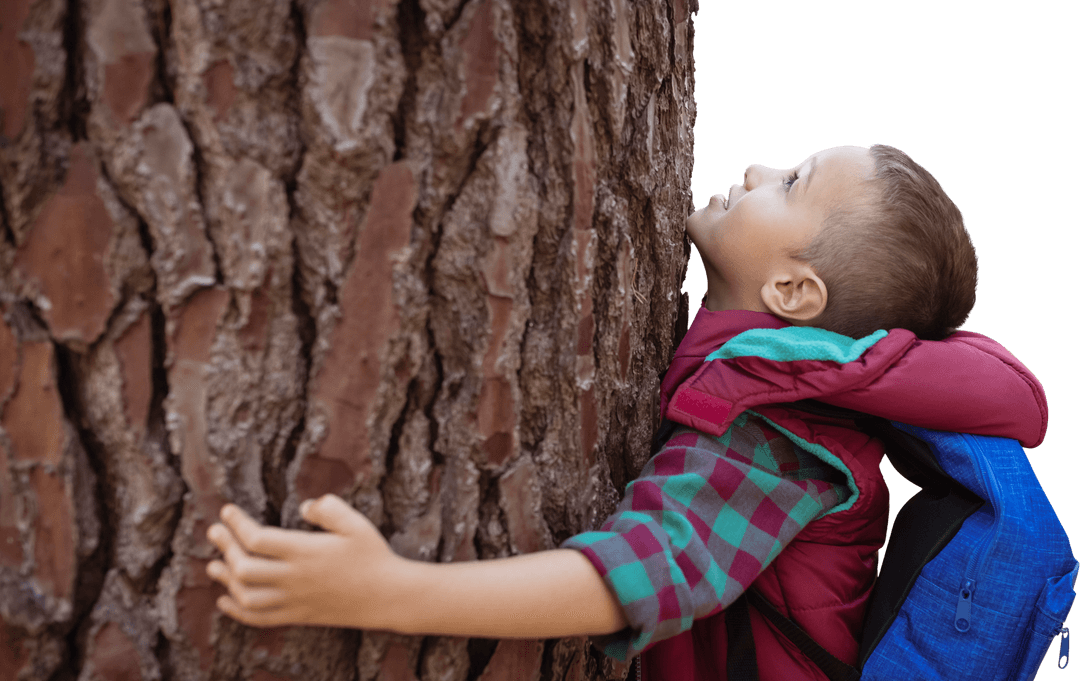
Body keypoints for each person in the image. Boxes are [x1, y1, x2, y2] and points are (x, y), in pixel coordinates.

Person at [204, 145, 1048, 680]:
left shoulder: (780, 442)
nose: (760, 169)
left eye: (793, 182)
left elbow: (630, 580)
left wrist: (390, 590)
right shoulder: (758, 388)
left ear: (794, 290)